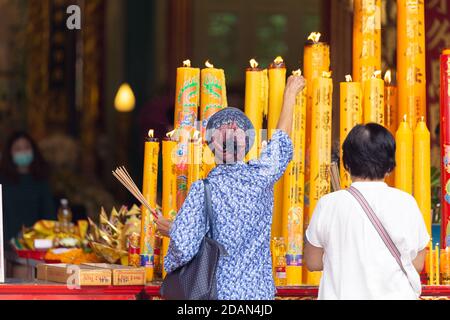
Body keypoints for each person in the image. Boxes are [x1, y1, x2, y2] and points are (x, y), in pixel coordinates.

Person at [156, 75, 305, 300]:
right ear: (247, 144)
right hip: (258, 297)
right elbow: (281, 142)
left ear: (210, 146)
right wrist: (290, 93)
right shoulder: (261, 176)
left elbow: (184, 248)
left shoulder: (202, 189)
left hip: (217, 295)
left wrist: (175, 231)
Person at [304, 123, 429, 300]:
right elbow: (417, 263)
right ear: (389, 165)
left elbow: (312, 262)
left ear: (346, 163)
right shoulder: (406, 203)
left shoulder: (328, 204)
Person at [0, 132, 55, 242]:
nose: (23, 152)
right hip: (6, 245)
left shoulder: (42, 179)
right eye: (18, 149)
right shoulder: (2, 180)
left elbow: (49, 216)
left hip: (36, 245)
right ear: (10, 153)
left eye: (26, 147)